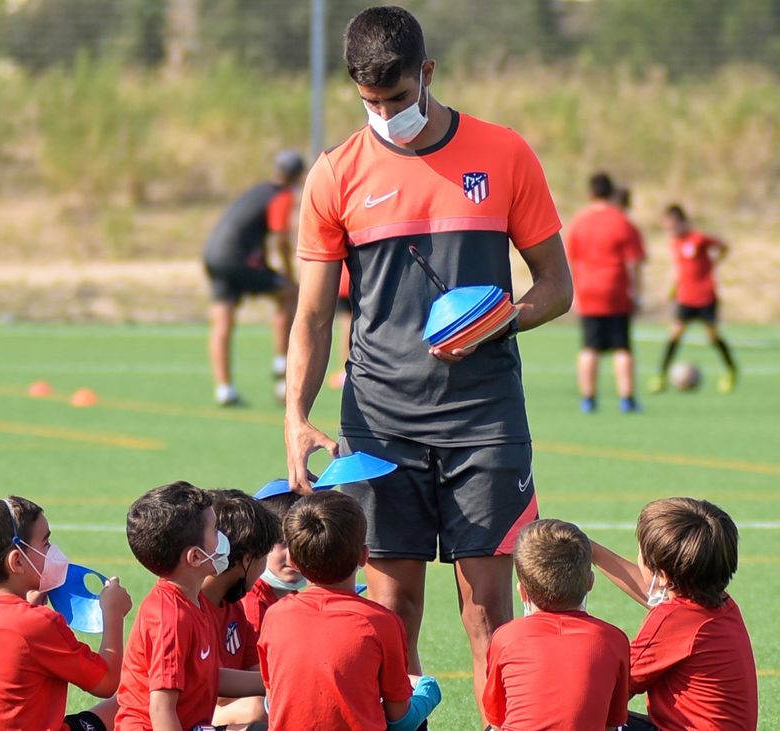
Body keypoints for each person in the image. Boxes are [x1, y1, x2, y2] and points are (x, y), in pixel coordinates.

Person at [282, 6, 572, 722]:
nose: (387, 115)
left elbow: (557, 287)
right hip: (380, 425)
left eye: (399, 98)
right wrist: (293, 416)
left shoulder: (504, 154)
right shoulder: (335, 175)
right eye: (371, 103)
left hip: (485, 419)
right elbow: (314, 316)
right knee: (390, 614)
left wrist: (498, 321)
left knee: (488, 612)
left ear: (428, 75)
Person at [258, 491, 442, 730]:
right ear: (364, 556)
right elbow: (401, 721)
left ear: (292, 560)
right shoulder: (381, 622)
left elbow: (272, 703)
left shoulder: (275, 616)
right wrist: (429, 692)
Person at [0, 496, 131, 731]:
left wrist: (28, 605)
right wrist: (113, 612)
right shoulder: (37, 624)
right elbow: (107, 681)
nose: (53, 551)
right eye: (46, 543)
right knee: (136, 700)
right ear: (17, 562)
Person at [591, 498, 758, 731]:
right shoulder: (717, 604)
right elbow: (653, 592)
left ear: (662, 576)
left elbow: (616, 689)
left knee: (581, 714)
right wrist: (590, 549)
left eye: (640, 555)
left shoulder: (671, 620)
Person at [115, 482, 264, 730]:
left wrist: (277, 680)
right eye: (216, 531)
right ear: (195, 557)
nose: (224, 538)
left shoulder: (194, 600)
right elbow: (161, 708)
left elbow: (210, 677)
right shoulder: (171, 617)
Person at [483, 519, 630, 731]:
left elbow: (497, 721)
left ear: (522, 591)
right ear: (590, 582)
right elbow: (611, 722)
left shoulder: (506, 638)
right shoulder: (613, 639)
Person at [204, 150, 305, 407]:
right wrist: (290, 275)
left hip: (214, 255)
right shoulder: (282, 196)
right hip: (238, 259)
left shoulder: (258, 191)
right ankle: (281, 364)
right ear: (298, 176)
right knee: (289, 294)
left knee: (222, 321)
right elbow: (281, 238)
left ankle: (224, 389)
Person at [565, 171, 646, 413]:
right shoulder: (623, 222)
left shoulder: (579, 222)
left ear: (590, 193)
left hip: (588, 290)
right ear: (612, 193)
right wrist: (637, 292)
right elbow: (634, 263)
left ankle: (588, 399)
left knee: (589, 346)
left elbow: (570, 260)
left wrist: (576, 292)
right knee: (622, 346)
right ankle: (627, 399)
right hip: (615, 288)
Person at [204, 489, 281, 727]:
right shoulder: (184, 608)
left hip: (208, 717)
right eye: (265, 556)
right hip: (176, 719)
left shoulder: (234, 609)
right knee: (258, 709)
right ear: (248, 559)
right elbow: (206, 685)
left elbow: (256, 673)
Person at [649, 204, 738, 395]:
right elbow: (679, 268)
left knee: (712, 336)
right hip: (686, 298)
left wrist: (713, 263)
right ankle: (661, 376)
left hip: (705, 296)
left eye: (672, 226)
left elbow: (723, 246)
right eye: (667, 227)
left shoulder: (699, 239)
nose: (669, 230)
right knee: (674, 335)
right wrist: (672, 289)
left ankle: (731, 370)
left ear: (682, 222)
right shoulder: (674, 243)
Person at [240, 482, 306, 637]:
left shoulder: (290, 595)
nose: (293, 555)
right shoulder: (252, 607)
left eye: (300, 542)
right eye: (281, 543)